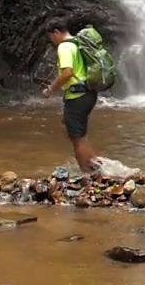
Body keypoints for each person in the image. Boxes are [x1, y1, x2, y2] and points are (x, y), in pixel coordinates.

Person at [42, 16, 101, 173]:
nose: (52, 41)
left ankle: (87, 174)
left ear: (56, 32)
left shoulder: (64, 47)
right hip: (89, 93)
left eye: (50, 37)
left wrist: (51, 89)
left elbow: (67, 73)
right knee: (73, 130)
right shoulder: (78, 43)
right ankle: (95, 163)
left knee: (77, 138)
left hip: (77, 96)